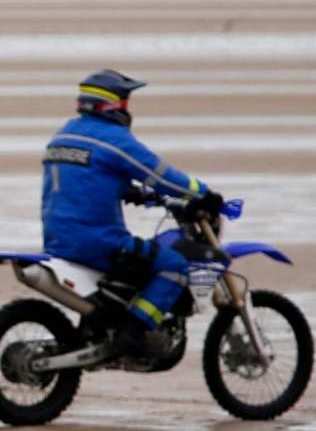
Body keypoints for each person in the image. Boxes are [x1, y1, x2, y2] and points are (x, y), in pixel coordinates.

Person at [40, 71, 221, 358]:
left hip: (58, 238)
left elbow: (89, 177)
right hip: (98, 240)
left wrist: (135, 193)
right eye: (126, 101)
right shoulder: (114, 139)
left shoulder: (64, 134)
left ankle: (108, 322)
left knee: (140, 262)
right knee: (174, 264)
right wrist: (203, 193)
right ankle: (134, 332)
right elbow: (161, 175)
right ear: (113, 105)